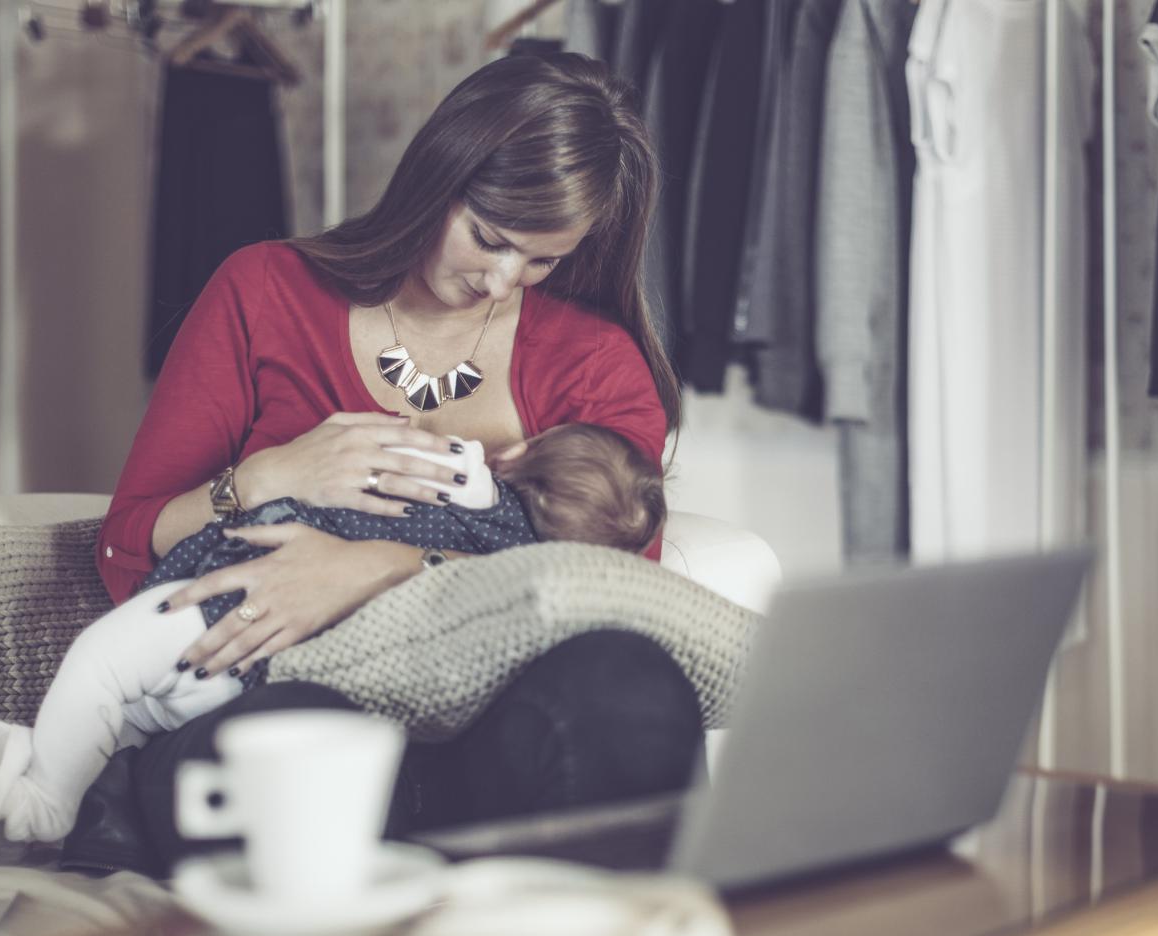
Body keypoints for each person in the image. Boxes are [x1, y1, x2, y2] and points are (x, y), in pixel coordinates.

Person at [66, 54, 704, 876]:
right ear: (439, 178)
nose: (502, 281)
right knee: (276, 746)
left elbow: (622, 592)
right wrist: (267, 477)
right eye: (490, 238)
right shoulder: (265, 291)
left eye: (541, 260)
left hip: (481, 731)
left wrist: (383, 567)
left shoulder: (597, 366)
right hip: (278, 696)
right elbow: (126, 543)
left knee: (631, 687)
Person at [2, 425, 665, 845]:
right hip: (267, 674)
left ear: (520, 453)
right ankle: (92, 809)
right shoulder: (517, 573)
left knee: (102, 667)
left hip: (234, 600)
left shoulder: (466, 472)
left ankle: (45, 806)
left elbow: (386, 453)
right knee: (131, 712)